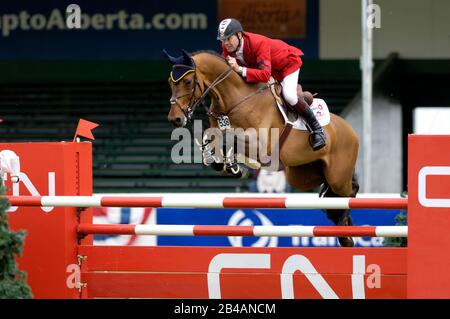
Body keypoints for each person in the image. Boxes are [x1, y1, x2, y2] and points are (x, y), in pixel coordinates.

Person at [217, 18, 326, 151]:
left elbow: (264, 75)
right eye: (223, 40)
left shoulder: (258, 43)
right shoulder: (227, 47)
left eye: (228, 38)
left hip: (287, 65)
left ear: (239, 35)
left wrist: (239, 69)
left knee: (290, 96)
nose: (225, 43)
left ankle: (317, 130)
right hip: (269, 70)